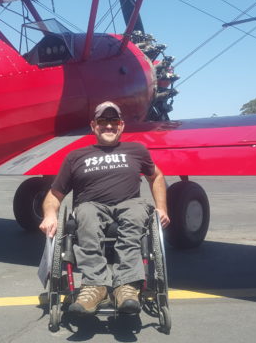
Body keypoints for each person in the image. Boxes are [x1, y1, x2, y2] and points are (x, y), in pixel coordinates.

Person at [39, 101, 171, 316]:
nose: (108, 126)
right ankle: (95, 286)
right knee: (85, 214)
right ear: (94, 126)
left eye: (113, 121)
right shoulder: (75, 156)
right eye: (102, 121)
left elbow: (156, 176)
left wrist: (162, 208)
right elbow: (55, 194)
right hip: (91, 206)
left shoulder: (136, 150)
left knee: (137, 213)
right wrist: (50, 213)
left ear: (121, 126)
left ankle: (126, 287)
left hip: (129, 204)